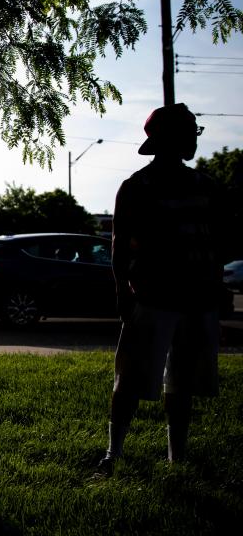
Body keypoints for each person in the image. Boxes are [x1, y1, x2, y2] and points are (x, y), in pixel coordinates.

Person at [95, 102, 226, 478]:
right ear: (167, 140)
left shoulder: (207, 187)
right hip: (151, 297)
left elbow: (218, 242)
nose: (193, 141)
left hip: (198, 300)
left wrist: (216, 288)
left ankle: (177, 457)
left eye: (193, 132)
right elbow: (119, 245)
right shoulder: (137, 187)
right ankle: (113, 452)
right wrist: (123, 292)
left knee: (183, 381)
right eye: (187, 133)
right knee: (131, 379)